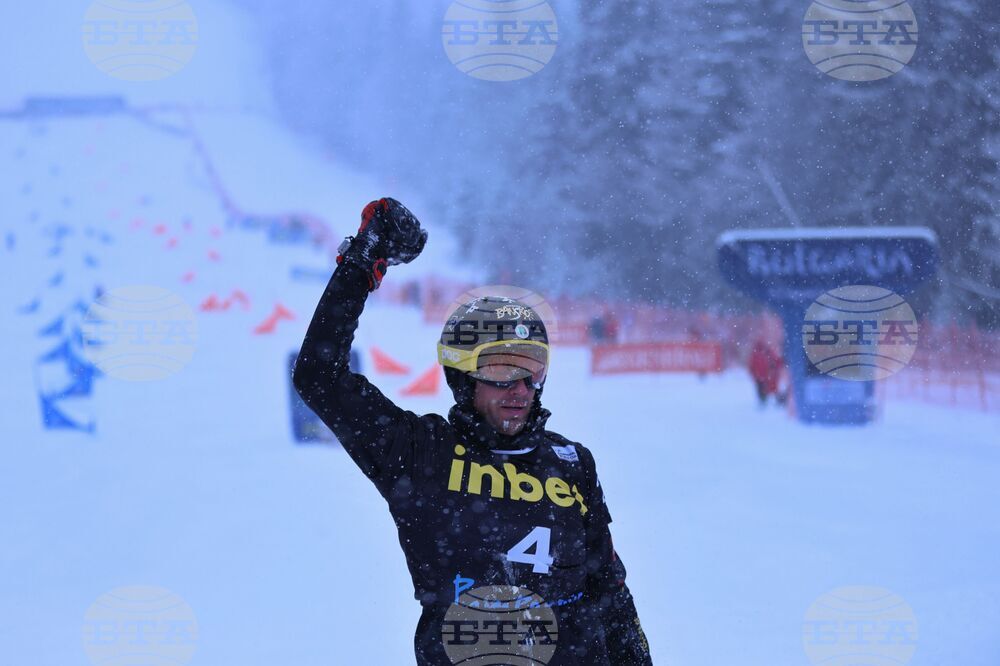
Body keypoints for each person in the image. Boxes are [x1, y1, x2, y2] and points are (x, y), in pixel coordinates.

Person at [293, 198, 652, 665]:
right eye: (502, 369)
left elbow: (610, 593)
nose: (521, 389)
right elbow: (319, 376)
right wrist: (363, 261)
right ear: (462, 378)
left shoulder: (572, 462)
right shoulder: (421, 454)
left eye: (532, 371)